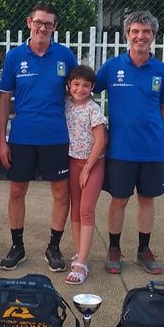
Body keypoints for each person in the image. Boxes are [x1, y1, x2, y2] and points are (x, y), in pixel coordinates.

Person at [0, 2, 77, 271]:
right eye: (39, 22)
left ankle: (53, 247)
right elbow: (4, 100)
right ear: (29, 23)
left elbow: (77, 94)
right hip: (22, 137)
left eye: (48, 24)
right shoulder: (14, 56)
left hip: (56, 137)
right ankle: (17, 246)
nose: (43, 28)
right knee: (17, 191)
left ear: (55, 27)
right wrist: (2, 141)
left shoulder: (65, 56)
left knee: (61, 193)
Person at [94, 10, 164, 274]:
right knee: (119, 200)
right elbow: (84, 90)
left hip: (151, 150)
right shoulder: (112, 67)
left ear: (154, 36)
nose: (141, 36)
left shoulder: (163, 71)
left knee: (147, 200)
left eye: (146, 32)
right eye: (135, 31)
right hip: (120, 149)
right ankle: (114, 249)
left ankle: (143, 250)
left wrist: (151, 130)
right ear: (127, 35)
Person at [64, 65, 108, 284]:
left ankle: (82, 262)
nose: (80, 89)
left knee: (86, 210)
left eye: (85, 85)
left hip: (92, 163)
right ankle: (79, 252)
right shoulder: (66, 104)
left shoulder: (93, 110)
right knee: (75, 208)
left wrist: (87, 169)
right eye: (76, 84)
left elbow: (101, 141)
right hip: (73, 161)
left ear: (92, 88)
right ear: (69, 84)